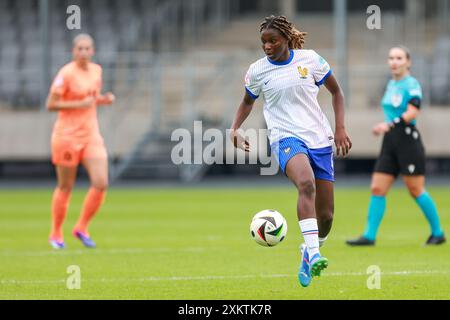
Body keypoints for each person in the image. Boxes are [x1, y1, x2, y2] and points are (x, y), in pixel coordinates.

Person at [229, 15, 352, 287]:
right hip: (285, 138)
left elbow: (337, 92)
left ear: (286, 39)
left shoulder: (310, 60)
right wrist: (234, 128)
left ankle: (308, 251)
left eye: (272, 40)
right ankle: (316, 253)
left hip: (319, 138)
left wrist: (340, 128)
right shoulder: (258, 70)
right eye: (263, 42)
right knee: (306, 183)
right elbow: (248, 101)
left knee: (327, 217)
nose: (267, 46)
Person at [346, 46, 446, 246]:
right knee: (377, 188)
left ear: (408, 62)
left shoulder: (411, 84)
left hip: (407, 141)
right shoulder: (391, 84)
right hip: (390, 142)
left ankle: (438, 232)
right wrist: (386, 129)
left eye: (399, 58)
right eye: (391, 58)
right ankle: (369, 236)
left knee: (415, 189)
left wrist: (389, 125)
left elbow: (413, 112)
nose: (394, 61)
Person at [46, 34, 115, 249]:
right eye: (79, 49)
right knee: (66, 186)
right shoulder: (66, 74)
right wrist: (79, 103)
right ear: (73, 51)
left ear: (93, 51)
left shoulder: (96, 71)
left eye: (87, 49)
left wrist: (103, 100)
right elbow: (51, 104)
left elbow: (91, 99)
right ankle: (56, 233)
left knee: (101, 182)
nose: (83, 52)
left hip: (91, 135)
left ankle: (81, 227)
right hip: (67, 136)